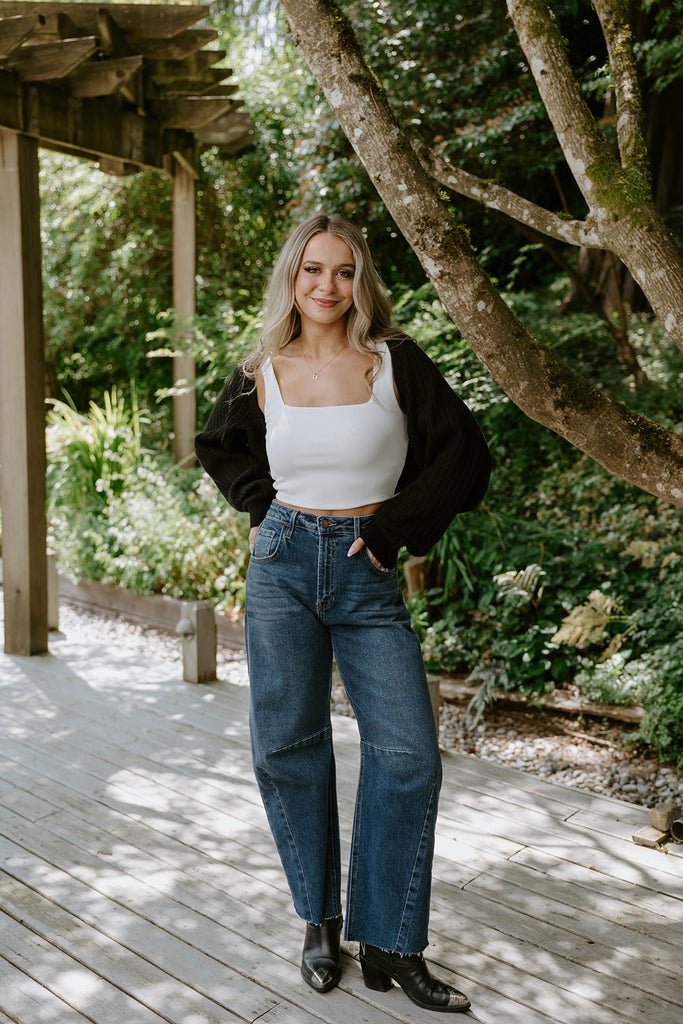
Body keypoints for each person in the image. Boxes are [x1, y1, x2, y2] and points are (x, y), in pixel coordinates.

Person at [195, 213, 491, 1013]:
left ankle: (389, 941)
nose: (327, 286)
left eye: (344, 271)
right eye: (312, 270)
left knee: (408, 755)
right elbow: (218, 445)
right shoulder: (261, 368)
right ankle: (319, 920)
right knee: (287, 746)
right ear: (291, 278)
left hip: (367, 574)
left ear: (362, 282)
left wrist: (394, 529)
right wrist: (261, 507)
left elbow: (466, 455)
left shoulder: (395, 360)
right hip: (282, 567)